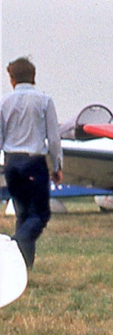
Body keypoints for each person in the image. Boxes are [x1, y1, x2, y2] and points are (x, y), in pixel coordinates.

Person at [2, 57, 62, 269]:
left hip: (11, 162)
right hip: (33, 162)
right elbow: (53, 139)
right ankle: (15, 245)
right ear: (33, 77)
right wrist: (57, 166)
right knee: (39, 214)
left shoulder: (4, 102)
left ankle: (23, 266)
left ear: (12, 79)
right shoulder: (44, 101)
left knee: (23, 214)